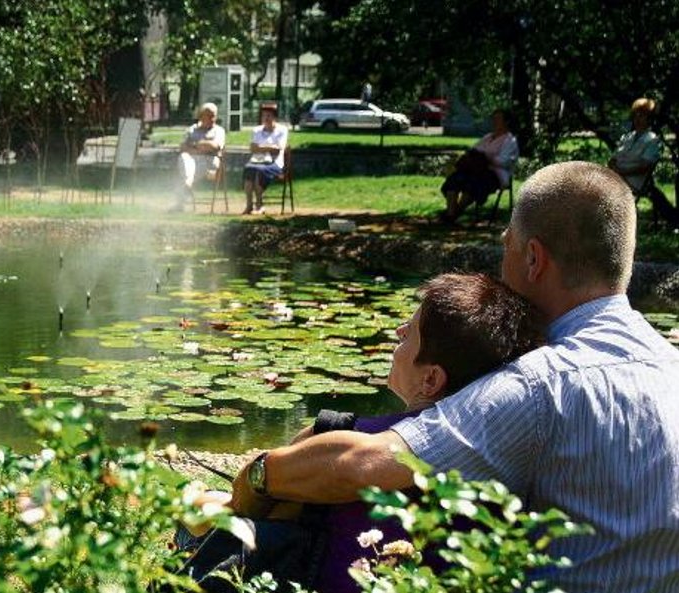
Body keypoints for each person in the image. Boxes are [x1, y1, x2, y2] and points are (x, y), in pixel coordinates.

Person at [230, 161, 679, 593]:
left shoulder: (540, 385)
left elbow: (363, 465)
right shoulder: (670, 364)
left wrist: (257, 475)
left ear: (533, 259)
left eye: (506, 247)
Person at [175, 273, 545, 593]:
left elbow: (252, 506)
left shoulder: (340, 436)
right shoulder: (505, 463)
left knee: (201, 511)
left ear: (430, 379)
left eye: (411, 332)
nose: (399, 330)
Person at [608, 97, 679, 228]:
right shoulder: (627, 137)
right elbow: (613, 158)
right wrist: (613, 169)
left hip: (634, 180)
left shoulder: (652, 140)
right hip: (616, 176)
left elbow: (646, 167)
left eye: (642, 116)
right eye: (636, 115)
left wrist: (622, 173)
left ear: (650, 119)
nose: (638, 119)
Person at [440, 109, 519, 223]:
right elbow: (474, 150)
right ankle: (451, 212)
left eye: (498, 119)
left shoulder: (510, 141)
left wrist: (487, 158)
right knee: (454, 180)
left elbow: (505, 161)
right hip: (475, 170)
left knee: (474, 185)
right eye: (493, 119)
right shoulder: (487, 137)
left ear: (506, 122)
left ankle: (454, 214)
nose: (494, 122)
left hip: (495, 173)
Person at [173, 102, 225, 211]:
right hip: (192, 160)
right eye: (209, 115)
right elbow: (182, 147)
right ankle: (188, 182)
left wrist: (194, 145)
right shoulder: (192, 129)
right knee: (184, 157)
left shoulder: (219, 130)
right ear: (201, 116)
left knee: (184, 170)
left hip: (209, 163)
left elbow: (215, 147)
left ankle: (184, 193)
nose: (212, 118)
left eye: (214, 115)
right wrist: (201, 147)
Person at [242, 102, 288, 215]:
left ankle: (259, 205)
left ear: (275, 117)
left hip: (275, 162)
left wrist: (260, 147)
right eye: (264, 116)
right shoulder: (256, 130)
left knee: (260, 171)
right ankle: (249, 205)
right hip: (256, 160)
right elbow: (252, 148)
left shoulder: (282, 130)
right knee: (248, 169)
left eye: (269, 115)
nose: (266, 118)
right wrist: (267, 148)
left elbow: (278, 149)